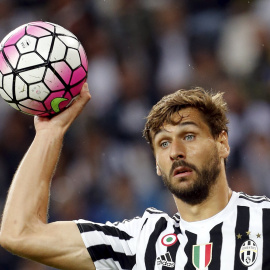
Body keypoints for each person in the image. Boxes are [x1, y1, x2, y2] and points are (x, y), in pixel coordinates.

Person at [0, 82, 270, 270]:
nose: (175, 151)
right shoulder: (138, 241)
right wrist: (49, 134)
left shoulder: (265, 221)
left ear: (222, 143)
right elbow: (19, 232)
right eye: (163, 143)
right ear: (156, 163)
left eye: (189, 136)